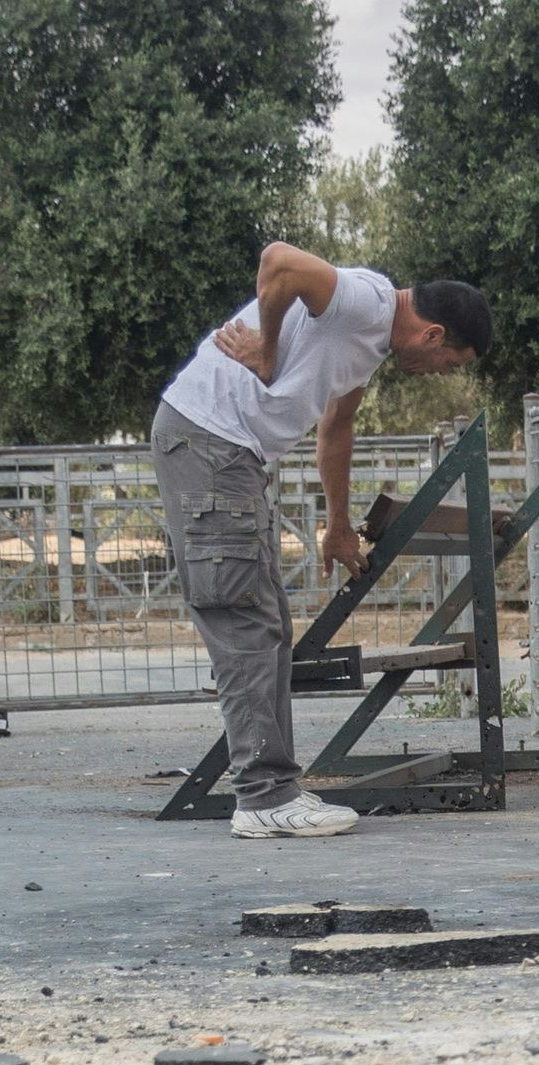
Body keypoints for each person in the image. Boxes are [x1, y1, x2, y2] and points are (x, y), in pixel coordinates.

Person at [154, 246, 491, 838]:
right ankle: (263, 797)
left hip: (231, 455)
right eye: (447, 362)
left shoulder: (367, 342)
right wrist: (267, 347)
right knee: (245, 622)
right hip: (210, 444)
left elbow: (336, 428)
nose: (440, 372)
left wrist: (338, 524)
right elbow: (278, 260)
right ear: (432, 333)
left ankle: (272, 789)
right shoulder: (366, 302)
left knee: (268, 624)